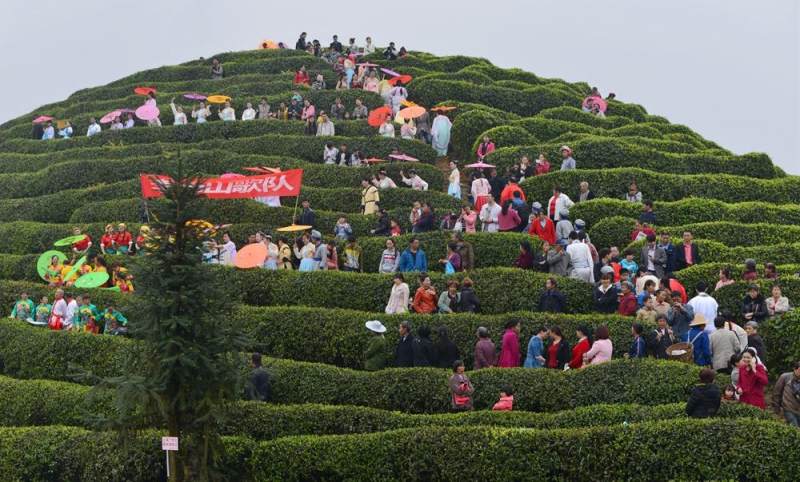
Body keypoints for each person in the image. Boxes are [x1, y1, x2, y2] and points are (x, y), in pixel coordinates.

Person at [772, 361, 800, 426]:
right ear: (795, 369)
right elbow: (776, 393)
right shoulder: (785, 377)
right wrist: (777, 408)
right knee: (794, 427)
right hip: (789, 408)